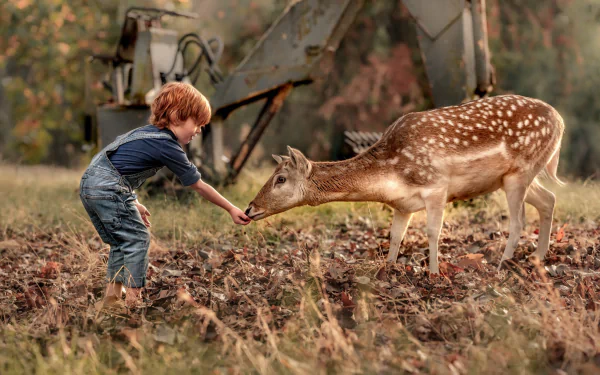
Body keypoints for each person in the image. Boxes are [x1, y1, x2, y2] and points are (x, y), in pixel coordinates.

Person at [79, 82, 251, 308]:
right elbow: (198, 185)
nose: (199, 130)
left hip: (90, 185)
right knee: (138, 239)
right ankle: (133, 301)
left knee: (121, 242)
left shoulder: (143, 134)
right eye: (197, 123)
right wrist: (231, 208)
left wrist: (133, 202)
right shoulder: (168, 146)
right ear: (176, 115)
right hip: (109, 187)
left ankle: (112, 299)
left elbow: (119, 169)